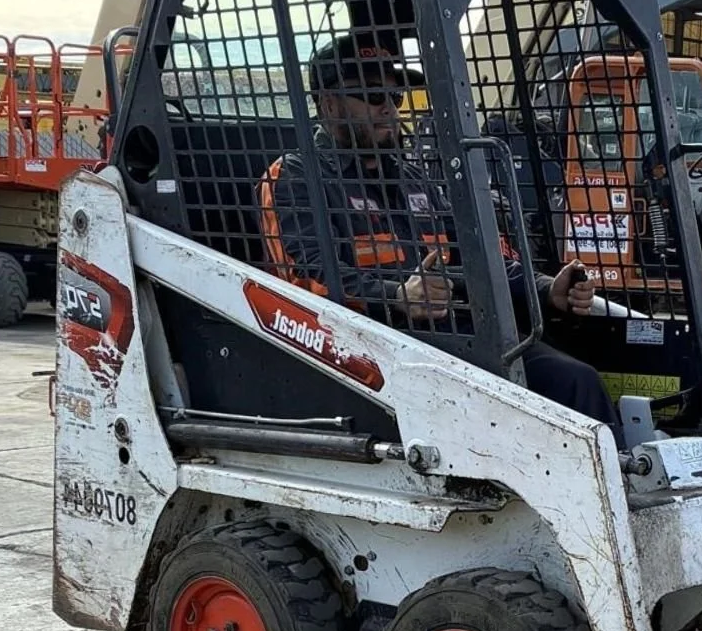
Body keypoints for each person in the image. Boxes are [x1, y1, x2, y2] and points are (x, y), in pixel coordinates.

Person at [258, 34, 619, 439]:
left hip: (458, 338)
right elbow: (302, 284)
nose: (389, 109)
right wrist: (396, 295)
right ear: (329, 104)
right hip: (375, 353)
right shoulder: (296, 177)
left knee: (576, 380)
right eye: (374, 96)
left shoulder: (416, 180)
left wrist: (546, 289)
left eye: (395, 99)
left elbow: (477, 257)